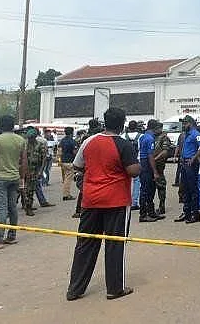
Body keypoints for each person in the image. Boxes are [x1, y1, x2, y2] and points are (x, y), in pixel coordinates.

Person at [66, 107, 139, 301]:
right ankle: (115, 288)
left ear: (105, 122)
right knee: (115, 244)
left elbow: (77, 165)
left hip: (91, 199)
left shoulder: (89, 141)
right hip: (116, 200)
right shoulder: (123, 144)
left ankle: (75, 289)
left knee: (85, 244)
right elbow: (133, 171)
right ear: (122, 124)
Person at [0, 115, 28, 246]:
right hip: (15, 178)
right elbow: (24, 161)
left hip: (0, 178)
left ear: (1, 126)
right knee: (12, 207)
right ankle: (12, 235)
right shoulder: (21, 140)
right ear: (13, 126)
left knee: (2, 208)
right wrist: (22, 178)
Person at [174, 115, 200, 224]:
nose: (183, 125)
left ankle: (194, 214)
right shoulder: (186, 134)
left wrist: (194, 158)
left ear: (190, 123)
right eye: (183, 123)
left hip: (190, 163)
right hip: (184, 163)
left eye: (185, 123)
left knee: (193, 189)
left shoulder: (195, 134)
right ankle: (186, 212)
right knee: (185, 189)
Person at [22, 127, 55, 216]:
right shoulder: (24, 145)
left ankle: (28, 207)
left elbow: (43, 159)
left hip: (34, 171)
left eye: (32, 138)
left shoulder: (40, 145)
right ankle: (25, 205)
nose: (30, 139)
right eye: (29, 138)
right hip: (24, 170)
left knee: (30, 190)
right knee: (21, 190)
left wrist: (40, 171)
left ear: (35, 137)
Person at [138, 119, 164, 222]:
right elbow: (150, 156)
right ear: (155, 128)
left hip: (143, 163)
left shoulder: (143, 136)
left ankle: (151, 212)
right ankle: (143, 214)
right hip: (147, 165)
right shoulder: (150, 138)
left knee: (150, 189)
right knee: (146, 190)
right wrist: (155, 172)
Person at [151, 121, 171, 214]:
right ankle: (150, 207)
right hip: (150, 164)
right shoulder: (151, 136)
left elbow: (165, 151)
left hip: (159, 165)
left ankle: (161, 206)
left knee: (161, 185)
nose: (155, 130)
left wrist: (155, 159)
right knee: (150, 186)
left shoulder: (164, 138)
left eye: (157, 128)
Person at [123, 121, 142, 211]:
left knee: (124, 181)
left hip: (125, 161)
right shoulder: (141, 136)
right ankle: (134, 202)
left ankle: (125, 200)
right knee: (137, 181)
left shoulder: (123, 136)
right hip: (137, 160)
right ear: (136, 127)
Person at [59, 126, 77, 201]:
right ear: (72, 133)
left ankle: (66, 193)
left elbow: (60, 151)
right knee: (68, 179)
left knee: (66, 177)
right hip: (70, 161)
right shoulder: (72, 141)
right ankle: (66, 195)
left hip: (63, 161)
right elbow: (74, 152)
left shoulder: (62, 140)